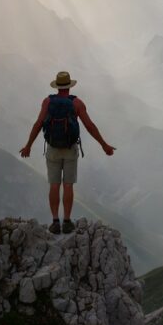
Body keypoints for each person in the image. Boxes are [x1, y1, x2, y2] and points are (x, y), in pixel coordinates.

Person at [19, 71, 116, 234]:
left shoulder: (47, 102)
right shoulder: (77, 103)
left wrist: (28, 145)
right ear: (69, 87)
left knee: (54, 185)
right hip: (70, 149)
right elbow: (90, 126)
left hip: (52, 149)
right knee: (68, 185)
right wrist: (104, 145)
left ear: (57, 86)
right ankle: (67, 221)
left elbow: (38, 124)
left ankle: (55, 221)